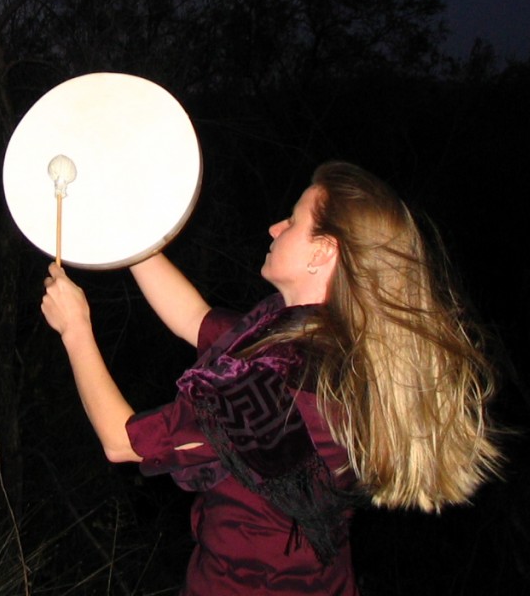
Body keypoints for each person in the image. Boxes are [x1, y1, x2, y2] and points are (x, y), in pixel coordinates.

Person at [41, 161, 500, 595]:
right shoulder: (319, 331)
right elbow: (196, 319)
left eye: (293, 222)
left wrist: (75, 328)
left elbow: (123, 442)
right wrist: (131, 233)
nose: (275, 228)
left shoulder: (282, 381)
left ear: (323, 251)